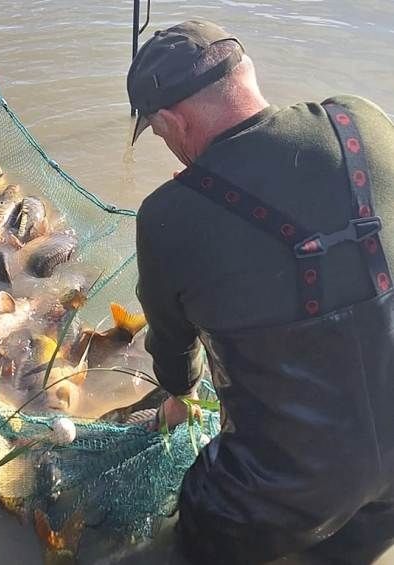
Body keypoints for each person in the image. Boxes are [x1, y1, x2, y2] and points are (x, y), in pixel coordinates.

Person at [127, 20, 394, 564]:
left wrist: (179, 397)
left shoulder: (167, 217)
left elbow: (175, 353)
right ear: (245, 72)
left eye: (157, 133)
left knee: (198, 542)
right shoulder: (362, 119)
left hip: (273, 493)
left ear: (173, 120)